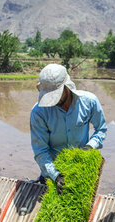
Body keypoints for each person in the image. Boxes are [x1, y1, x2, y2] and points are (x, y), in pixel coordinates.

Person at [30, 63, 107, 193]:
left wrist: (90, 146)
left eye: (56, 94)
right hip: (52, 170)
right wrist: (56, 175)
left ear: (66, 87)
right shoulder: (39, 112)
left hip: (81, 167)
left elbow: (101, 129)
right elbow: (40, 150)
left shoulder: (89, 101)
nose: (53, 100)